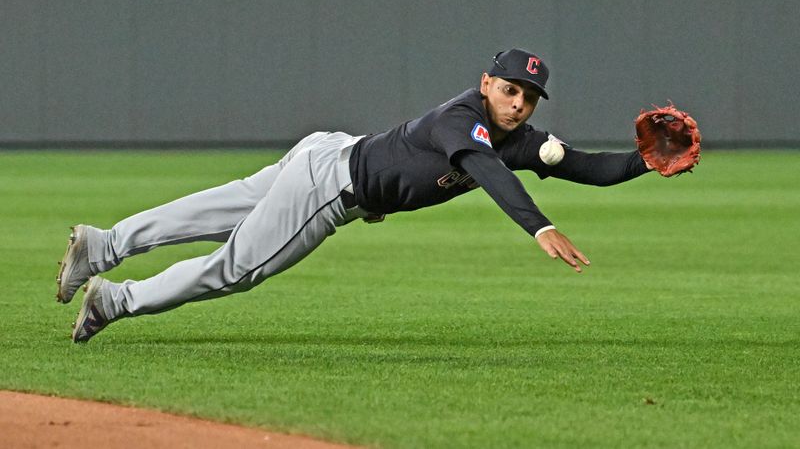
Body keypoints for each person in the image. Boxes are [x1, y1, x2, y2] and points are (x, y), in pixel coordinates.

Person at [56, 48, 652, 343]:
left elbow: (587, 167)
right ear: (485, 84)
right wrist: (539, 226)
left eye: (529, 96)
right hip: (331, 185)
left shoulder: (515, 137)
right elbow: (486, 169)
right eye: (509, 89)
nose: (518, 103)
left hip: (329, 154)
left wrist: (646, 161)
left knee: (216, 209)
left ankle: (103, 245)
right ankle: (114, 301)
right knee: (236, 268)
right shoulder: (463, 118)